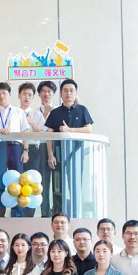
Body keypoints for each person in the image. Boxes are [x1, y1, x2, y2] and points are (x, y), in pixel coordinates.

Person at [45, 79, 93, 216]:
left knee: (75, 185)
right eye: (65, 91)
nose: (68, 93)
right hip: (58, 154)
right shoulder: (55, 112)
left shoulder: (82, 110)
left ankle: (76, 214)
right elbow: (49, 135)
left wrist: (69, 130)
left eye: (72, 91)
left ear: (76, 93)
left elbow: (88, 130)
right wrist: (50, 154)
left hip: (76, 153)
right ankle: (58, 214)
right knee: (58, 186)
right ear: (60, 94)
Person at [0, 82, 30, 218]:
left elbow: (25, 132)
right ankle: (0, 214)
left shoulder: (19, 111)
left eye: (4, 93)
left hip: (16, 147)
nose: (1, 96)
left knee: (18, 180)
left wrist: (26, 150)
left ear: (10, 94)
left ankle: (17, 214)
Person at [18, 83, 46, 217]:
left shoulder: (37, 114)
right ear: (19, 96)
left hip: (34, 150)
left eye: (30, 95)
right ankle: (18, 212)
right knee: (18, 180)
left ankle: (29, 214)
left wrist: (32, 122)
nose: (27, 97)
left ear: (33, 97)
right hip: (17, 148)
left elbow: (41, 134)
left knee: (32, 181)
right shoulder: (14, 113)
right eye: (24, 94)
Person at [36, 81, 57, 216]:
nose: (46, 94)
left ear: (54, 94)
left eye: (49, 91)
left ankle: (57, 212)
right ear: (39, 94)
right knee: (43, 181)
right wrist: (46, 114)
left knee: (57, 182)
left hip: (57, 147)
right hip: (41, 146)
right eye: (43, 91)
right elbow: (39, 130)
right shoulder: (34, 112)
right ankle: (45, 213)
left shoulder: (59, 110)